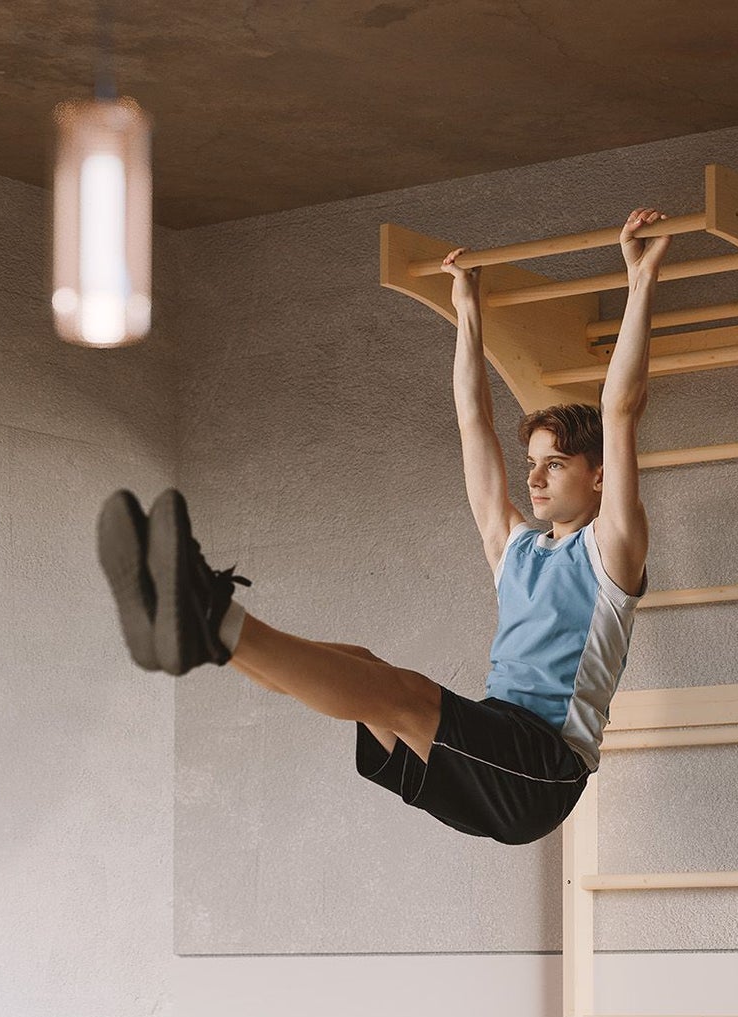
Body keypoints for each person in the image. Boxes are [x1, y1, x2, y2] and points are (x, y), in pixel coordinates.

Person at [97, 208, 670, 845]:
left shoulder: (610, 550)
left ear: (598, 477)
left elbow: (620, 408)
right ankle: (206, 633)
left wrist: (640, 278)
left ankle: (207, 614)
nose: (532, 479)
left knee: (400, 694)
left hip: (544, 768)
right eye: (531, 464)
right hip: (499, 742)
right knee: (367, 671)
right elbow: (472, 426)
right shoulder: (517, 549)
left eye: (554, 465)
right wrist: (466, 310)